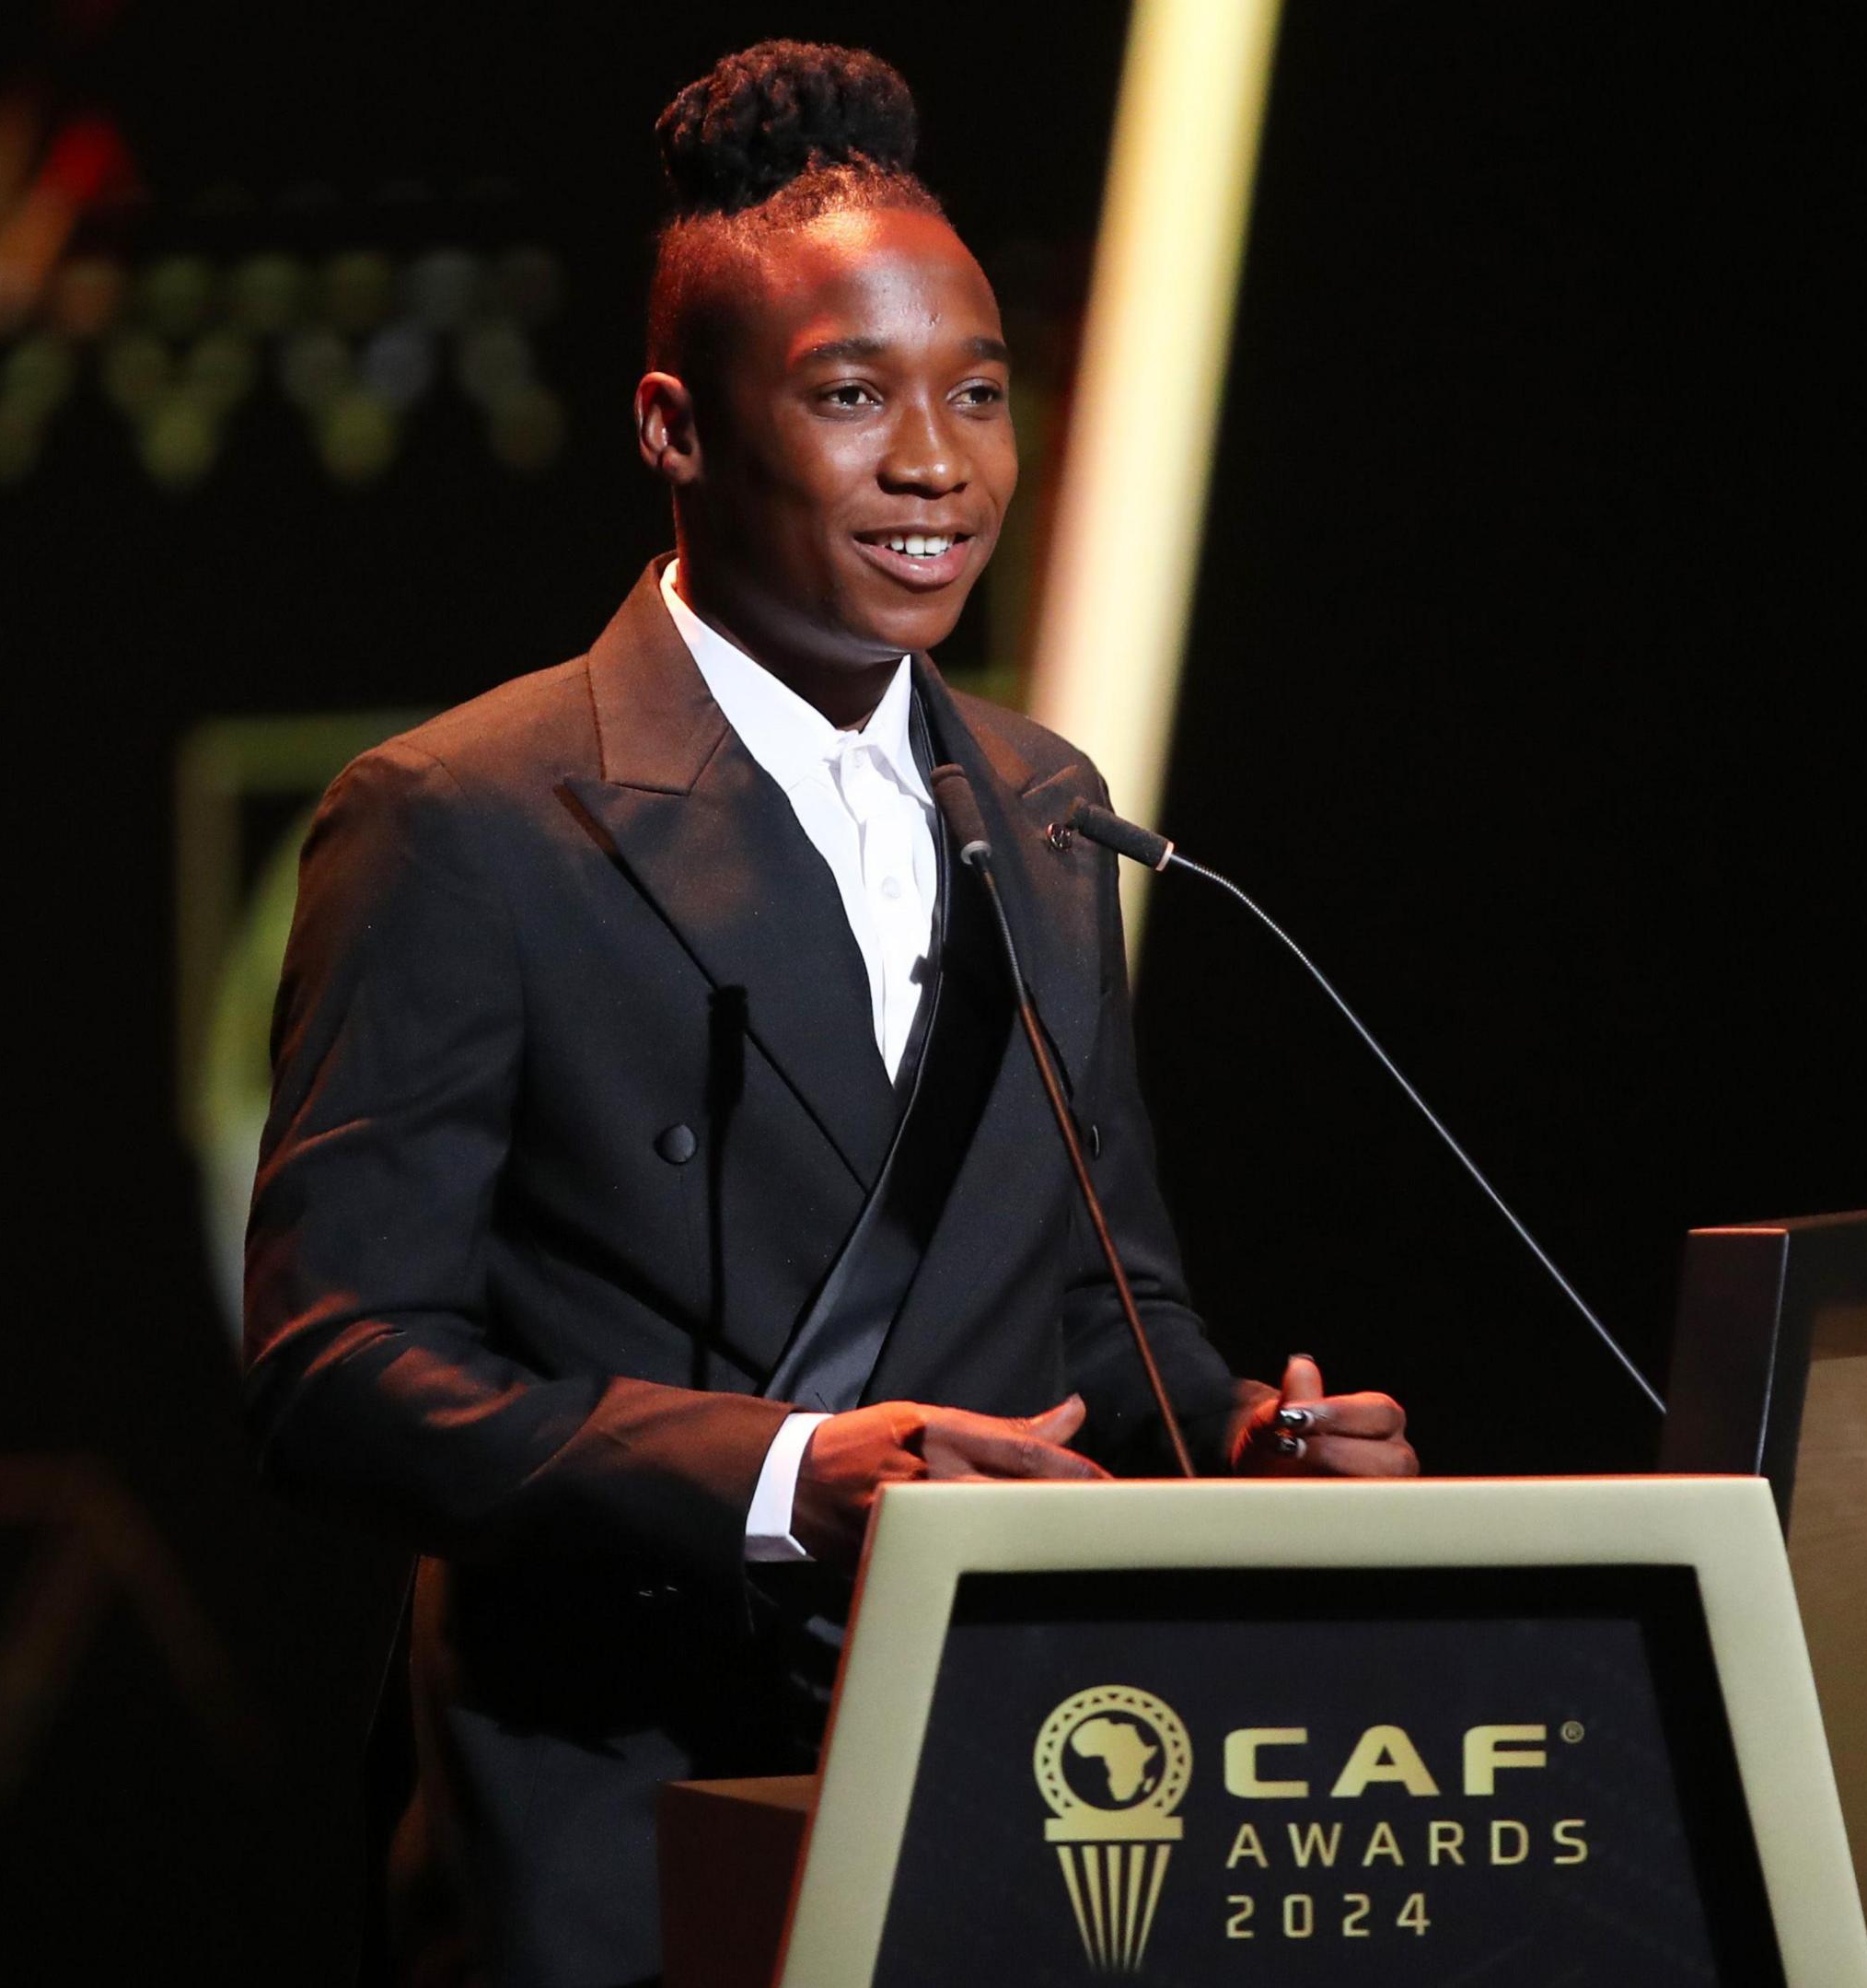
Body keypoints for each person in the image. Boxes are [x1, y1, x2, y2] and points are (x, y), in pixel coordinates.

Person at [239, 41, 1416, 1988]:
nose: (937, 463)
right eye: (853, 397)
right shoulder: (464, 820)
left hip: (973, 1795)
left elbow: (1103, 1317)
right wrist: (794, 1481)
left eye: (977, 394)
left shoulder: (1043, 810)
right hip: (613, 1823)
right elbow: (332, 1365)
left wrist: (1254, 1446)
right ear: (675, 429)